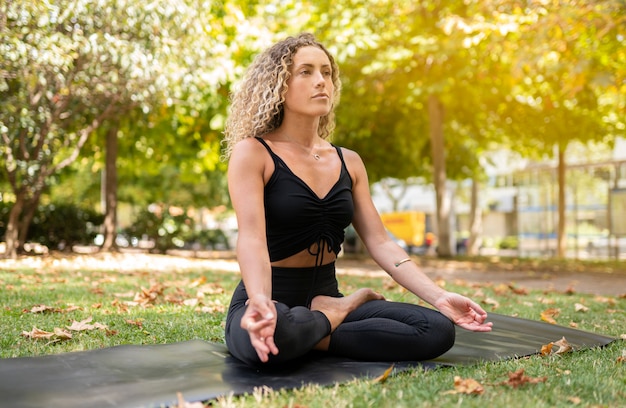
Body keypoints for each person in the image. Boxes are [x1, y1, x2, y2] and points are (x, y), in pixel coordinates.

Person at [222, 33, 492, 367]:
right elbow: (251, 238)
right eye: (305, 72)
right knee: (269, 338)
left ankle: (321, 320)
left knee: (436, 329)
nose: (321, 81)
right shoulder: (253, 152)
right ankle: (338, 312)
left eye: (326, 72)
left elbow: (380, 242)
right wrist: (260, 302)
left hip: (324, 290)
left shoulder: (349, 161)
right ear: (279, 85)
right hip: (268, 295)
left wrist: (439, 296)